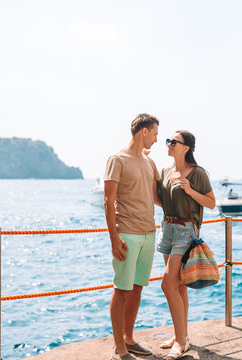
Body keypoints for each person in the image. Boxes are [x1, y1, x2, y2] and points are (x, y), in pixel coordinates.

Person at [103, 113, 160, 360]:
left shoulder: (150, 163)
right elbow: (108, 200)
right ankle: (119, 347)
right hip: (127, 234)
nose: (157, 139)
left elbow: (157, 197)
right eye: (155, 134)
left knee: (137, 288)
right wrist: (114, 238)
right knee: (122, 289)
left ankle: (129, 338)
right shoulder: (117, 159)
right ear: (144, 132)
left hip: (149, 233)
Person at [156, 130, 215, 360]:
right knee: (178, 287)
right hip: (167, 229)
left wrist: (190, 190)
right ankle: (182, 335)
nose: (169, 144)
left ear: (186, 148)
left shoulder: (198, 174)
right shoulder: (164, 171)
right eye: (168, 141)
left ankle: (181, 343)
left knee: (167, 285)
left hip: (185, 232)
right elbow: (159, 200)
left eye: (174, 142)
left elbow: (211, 203)